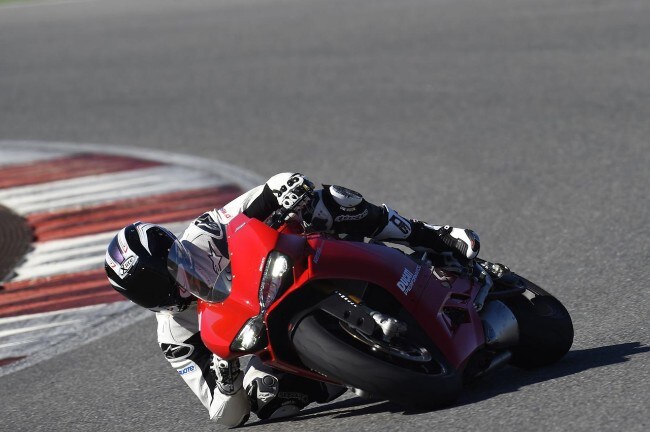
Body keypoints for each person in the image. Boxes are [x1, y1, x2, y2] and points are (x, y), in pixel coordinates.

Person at [104, 172, 501, 427]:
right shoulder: (174, 337)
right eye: (151, 290)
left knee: (329, 201)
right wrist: (226, 378)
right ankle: (358, 372)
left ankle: (430, 235)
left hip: (289, 266)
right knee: (265, 399)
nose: (173, 288)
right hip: (268, 334)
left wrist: (286, 188)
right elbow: (224, 416)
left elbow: (261, 195)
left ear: (176, 248)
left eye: (169, 269)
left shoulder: (204, 233)